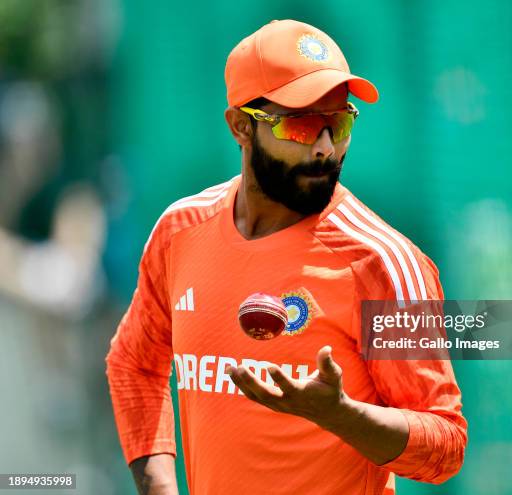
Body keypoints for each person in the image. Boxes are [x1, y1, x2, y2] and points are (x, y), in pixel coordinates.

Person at [106, 19, 467, 495]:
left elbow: (446, 444)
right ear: (240, 126)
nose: (324, 148)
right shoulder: (180, 231)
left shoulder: (383, 262)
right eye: (299, 125)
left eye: (338, 124)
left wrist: (342, 416)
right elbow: (134, 363)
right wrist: (159, 487)